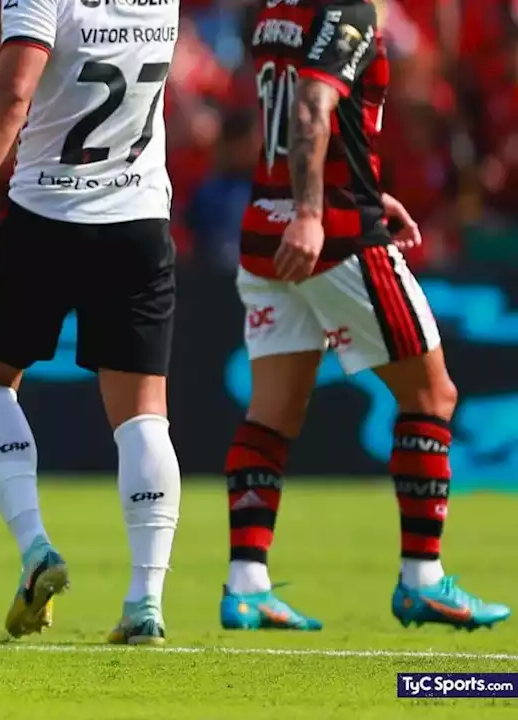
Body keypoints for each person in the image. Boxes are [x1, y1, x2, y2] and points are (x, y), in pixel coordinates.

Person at [222, 0, 510, 631]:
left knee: (271, 413)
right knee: (432, 396)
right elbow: (310, 109)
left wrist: (352, 188)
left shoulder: (276, 12)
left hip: (265, 229)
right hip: (334, 236)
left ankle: (246, 584)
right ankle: (423, 580)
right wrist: (312, 212)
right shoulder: (345, 7)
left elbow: (297, 122)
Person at [0, 0, 182, 643]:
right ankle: (145, 601)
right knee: (143, 416)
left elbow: (15, 89)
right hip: (139, 218)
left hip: (45, 213)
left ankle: (35, 547)